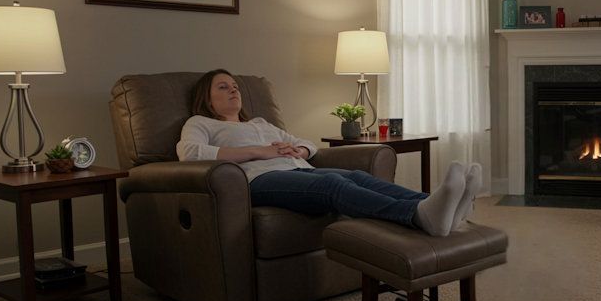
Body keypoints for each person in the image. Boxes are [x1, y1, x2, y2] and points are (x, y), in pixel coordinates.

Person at [176, 69, 480, 237]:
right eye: (223, 87)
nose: (234, 90)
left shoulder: (259, 122)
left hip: (298, 170)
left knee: (358, 176)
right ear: (208, 99)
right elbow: (190, 153)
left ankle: (442, 208)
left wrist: (299, 148)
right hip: (257, 180)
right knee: (333, 185)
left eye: (235, 86)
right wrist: (261, 151)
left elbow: (305, 142)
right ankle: (415, 216)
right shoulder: (200, 123)